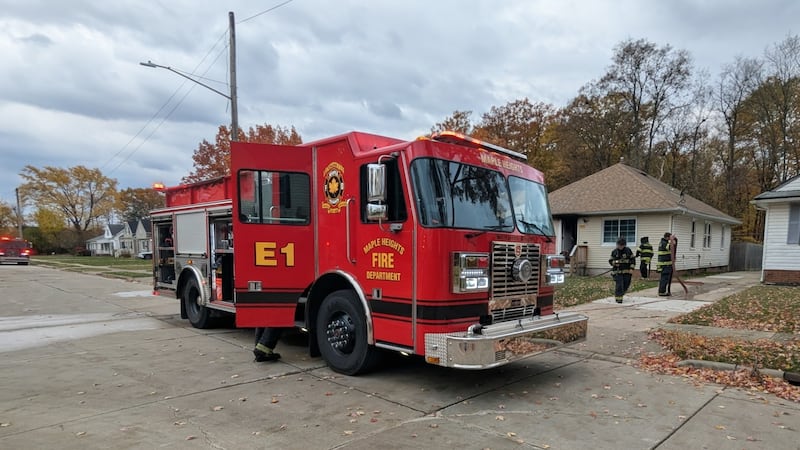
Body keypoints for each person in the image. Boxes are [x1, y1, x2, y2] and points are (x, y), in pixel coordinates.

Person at [609, 237, 635, 303]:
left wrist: (631, 268)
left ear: (624, 245)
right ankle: (618, 299)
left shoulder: (628, 251)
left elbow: (632, 260)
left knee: (626, 284)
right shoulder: (614, 252)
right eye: (618, 245)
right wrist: (614, 263)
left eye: (621, 245)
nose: (619, 246)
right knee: (619, 284)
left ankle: (621, 294)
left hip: (627, 272)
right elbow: (610, 261)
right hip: (617, 272)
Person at [656, 232, 675, 296]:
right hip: (665, 264)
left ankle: (664, 291)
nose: (670, 239)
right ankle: (662, 292)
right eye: (670, 237)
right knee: (664, 278)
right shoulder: (664, 243)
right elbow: (670, 247)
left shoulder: (663, 242)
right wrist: (672, 241)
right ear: (667, 237)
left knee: (666, 278)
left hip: (666, 264)